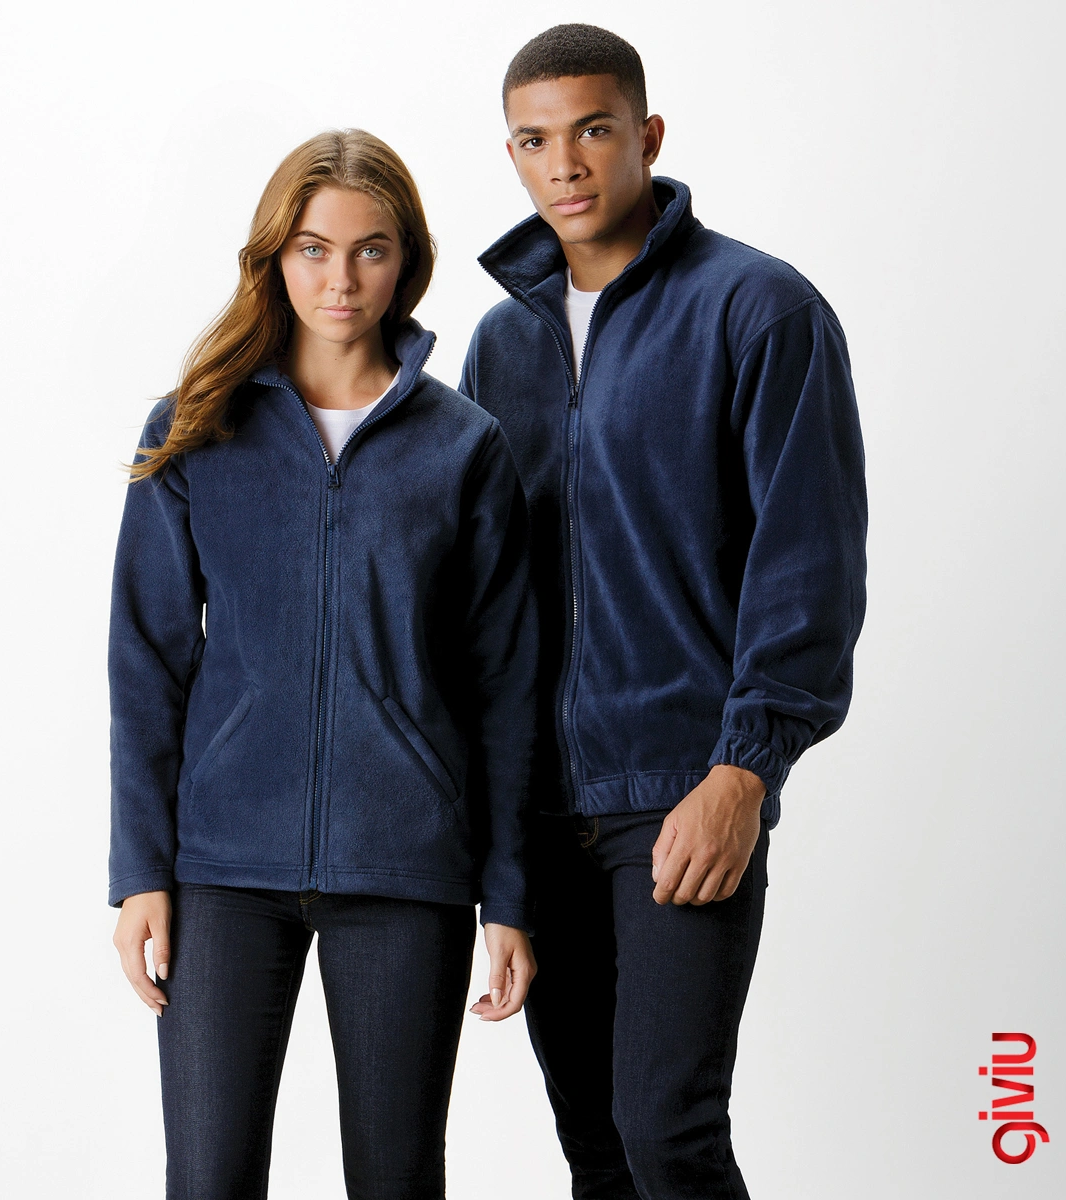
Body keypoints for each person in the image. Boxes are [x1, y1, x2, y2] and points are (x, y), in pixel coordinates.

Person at [460, 24, 868, 1200]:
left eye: (592, 130)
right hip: (544, 814)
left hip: (682, 791)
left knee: (666, 1132)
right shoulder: (501, 345)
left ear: (645, 135)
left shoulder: (760, 310)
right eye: (535, 141)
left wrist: (743, 774)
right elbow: (480, 593)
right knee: (595, 1142)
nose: (566, 163)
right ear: (512, 155)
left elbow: (810, 563)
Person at [107, 129, 537, 1200]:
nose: (340, 279)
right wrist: (140, 871)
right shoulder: (196, 429)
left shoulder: (463, 446)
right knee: (208, 1179)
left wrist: (509, 894)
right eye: (312, 249)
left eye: (369, 250)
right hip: (221, 871)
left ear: (407, 261)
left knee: (397, 1180)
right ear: (274, 257)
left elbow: (504, 687)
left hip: (406, 868)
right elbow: (147, 661)